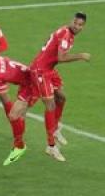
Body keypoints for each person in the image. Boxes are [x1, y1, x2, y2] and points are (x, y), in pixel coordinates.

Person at [29, 12, 90, 162]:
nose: (77, 26)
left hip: (49, 69)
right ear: (71, 21)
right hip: (40, 70)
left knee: (61, 97)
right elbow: (61, 57)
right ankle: (51, 146)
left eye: (80, 25)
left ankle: (55, 128)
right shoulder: (65, 34)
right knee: (50, 105)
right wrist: (80, 56)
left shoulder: (67, 33)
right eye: (75, 23)